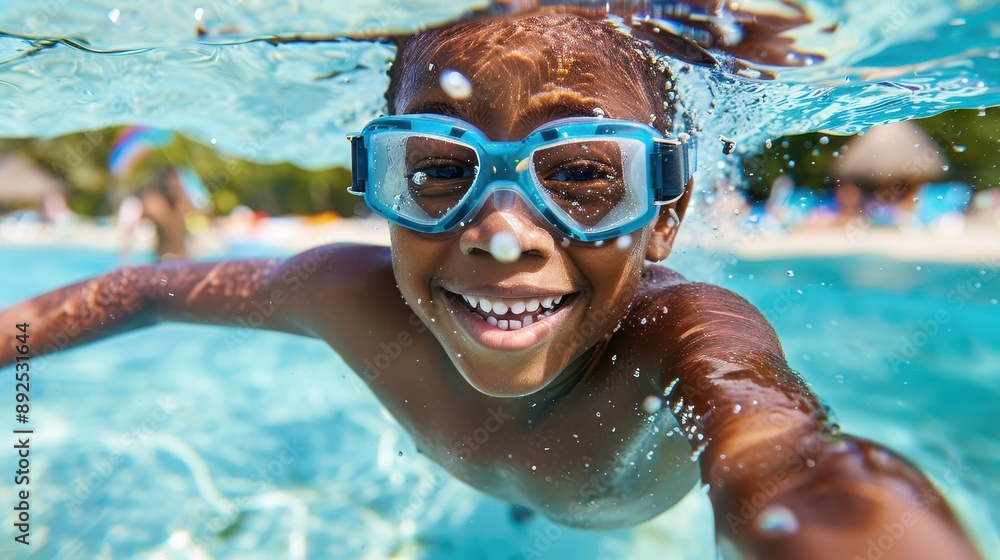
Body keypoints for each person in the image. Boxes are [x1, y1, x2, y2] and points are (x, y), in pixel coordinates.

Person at [0, 8, 981, 559]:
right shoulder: (346, 296)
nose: (504, 235)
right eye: (435, 168)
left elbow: (790, 458)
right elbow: (150, 288)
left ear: (666, 214)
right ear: (382, 191)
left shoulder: (685, 331)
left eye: (586, 176)